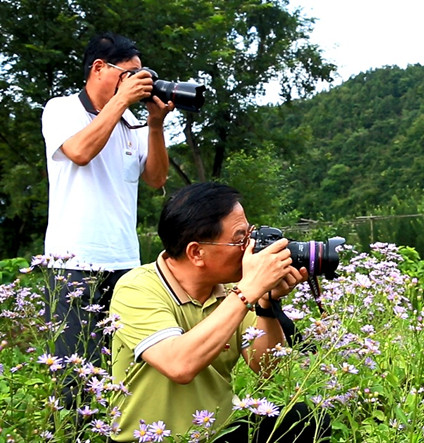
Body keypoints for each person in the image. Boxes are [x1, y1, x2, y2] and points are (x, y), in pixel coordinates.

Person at [109, 182, 330, 442]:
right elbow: (178, 365)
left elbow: (266, 367)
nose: (251, 248)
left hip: (217, 434)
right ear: (196, 252)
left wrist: (266, 303)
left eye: (251, 235)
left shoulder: (230, 289)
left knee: (306, 419)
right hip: (151, 438)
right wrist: (248, 290)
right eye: (240, 239)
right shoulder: (137, 287)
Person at [41, 31, 175, 366]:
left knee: (124, 368)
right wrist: (121, 102)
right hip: (72, 264)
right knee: (75, 371)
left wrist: (155, 125)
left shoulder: (131, 122)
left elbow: (156, 179)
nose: (136, 82)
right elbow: (79, 152)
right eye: (129, 74)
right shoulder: (62, 109)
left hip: (125, 261)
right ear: (99, 67)